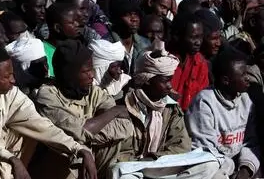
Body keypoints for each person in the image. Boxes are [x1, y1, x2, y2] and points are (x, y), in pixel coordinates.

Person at [0, 46, 97, 179]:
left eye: (12, 75)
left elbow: (41, 125)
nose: (13, 80)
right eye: (7, 76)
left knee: (30, 131)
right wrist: (13, 160)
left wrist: (78, 149)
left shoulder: (10, 94)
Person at [109, 48, 219, 179]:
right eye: (165, 81)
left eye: (170, 80)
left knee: (210, 164)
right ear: (148, 79)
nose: (170, 86)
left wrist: (154, 158)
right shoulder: (122, 106)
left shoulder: (171, 108)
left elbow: (181, 145)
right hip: (133, 167)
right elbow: (115, 153)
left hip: (159, 165)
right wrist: (140, 161)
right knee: (120, 173)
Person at [33, 40, 133, 179]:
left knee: (114, 143)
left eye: (91, 69)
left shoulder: (94, 91)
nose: (92, 75)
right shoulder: (47, 95)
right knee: (70, 152)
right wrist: (113, 111)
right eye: (85, 71)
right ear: (69, 74)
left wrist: (85, 134)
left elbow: (125, 126)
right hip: (58, 168)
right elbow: (79, 131)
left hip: (95, 162)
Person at [187, 47, 260, 179]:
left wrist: (245, 169)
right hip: (217, 166)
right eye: (243, 74)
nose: (248, 78)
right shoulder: (204, 102)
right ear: (226, 80)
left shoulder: (246, 99)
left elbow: (251, 142)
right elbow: (205, 150)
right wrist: (230, 168)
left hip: (238, 167)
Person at [169, 13, 209, 111]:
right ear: (177, 36)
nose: (198, 42)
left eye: (200, 37)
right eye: (193, 37)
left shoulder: (200, 62)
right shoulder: (161, 62)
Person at [109, 0, 151, 76]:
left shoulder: (145, 44)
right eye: (127, 15)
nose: (134, 19)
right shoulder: (106, 45)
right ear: (116, 18)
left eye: (136, 14)